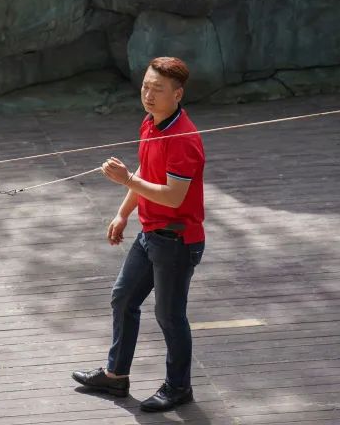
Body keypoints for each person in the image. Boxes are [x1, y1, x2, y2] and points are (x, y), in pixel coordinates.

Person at [72, 56, 206, 413]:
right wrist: (122, 212)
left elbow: (174, 196)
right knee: (124, 298)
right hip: (152, 234)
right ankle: (116, 376)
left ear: (177, 94)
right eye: (146, 85)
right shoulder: (151, 123)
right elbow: (147, 173)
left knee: (169, 315)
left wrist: (126, 179)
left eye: (157, 89)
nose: (148, 94)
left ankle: (179, 387)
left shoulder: (183, 139)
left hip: (177, 241)